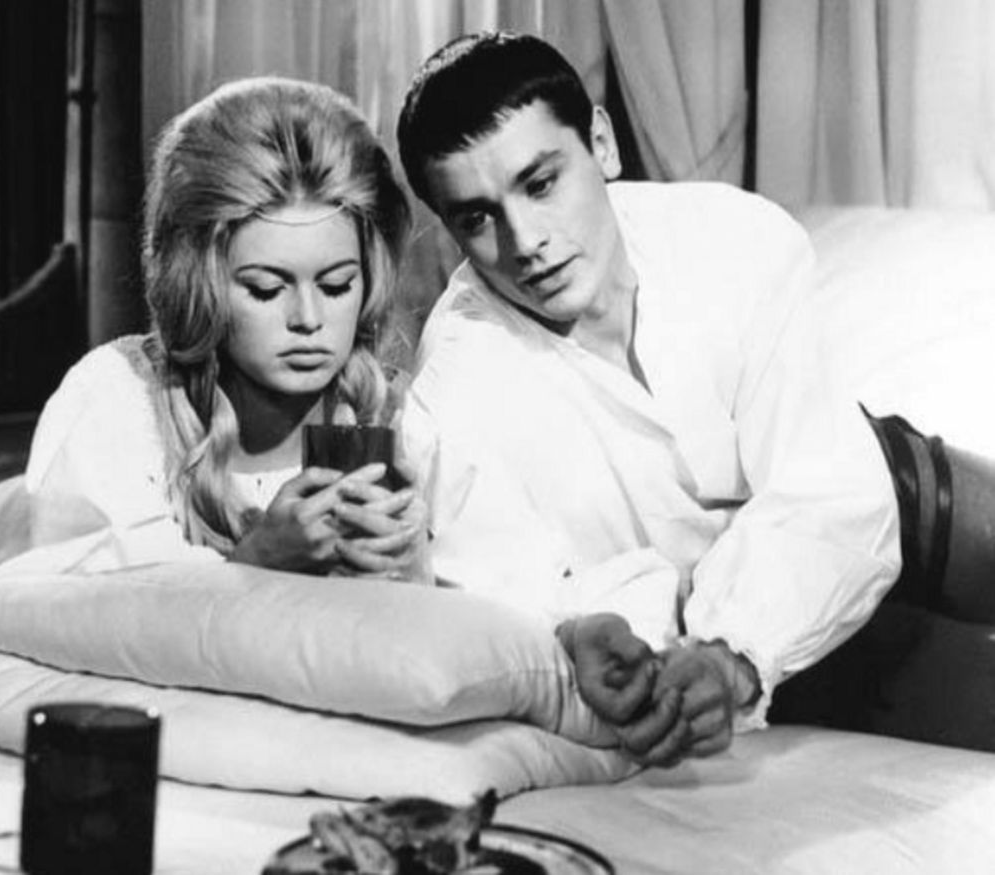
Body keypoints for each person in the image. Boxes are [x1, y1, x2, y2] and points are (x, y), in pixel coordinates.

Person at [395, 31, 995, 766]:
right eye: (476, 218)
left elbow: (833, 490)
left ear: (602, 145)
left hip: (867, 489)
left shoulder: (733, 237)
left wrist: (727, 648)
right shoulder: (452, 393)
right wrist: (717, 652)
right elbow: (516, 603)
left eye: (541, 183)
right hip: (744, 639)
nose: (524, 241)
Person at [0, 77, 430, 586]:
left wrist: (410, 561)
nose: (308, 318)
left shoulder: (400, 415)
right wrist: (255, 561)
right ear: (199, 282)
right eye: (265, 289)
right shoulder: (117, 400)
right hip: (4, 553)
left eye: (336, 285)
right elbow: (86, 613)